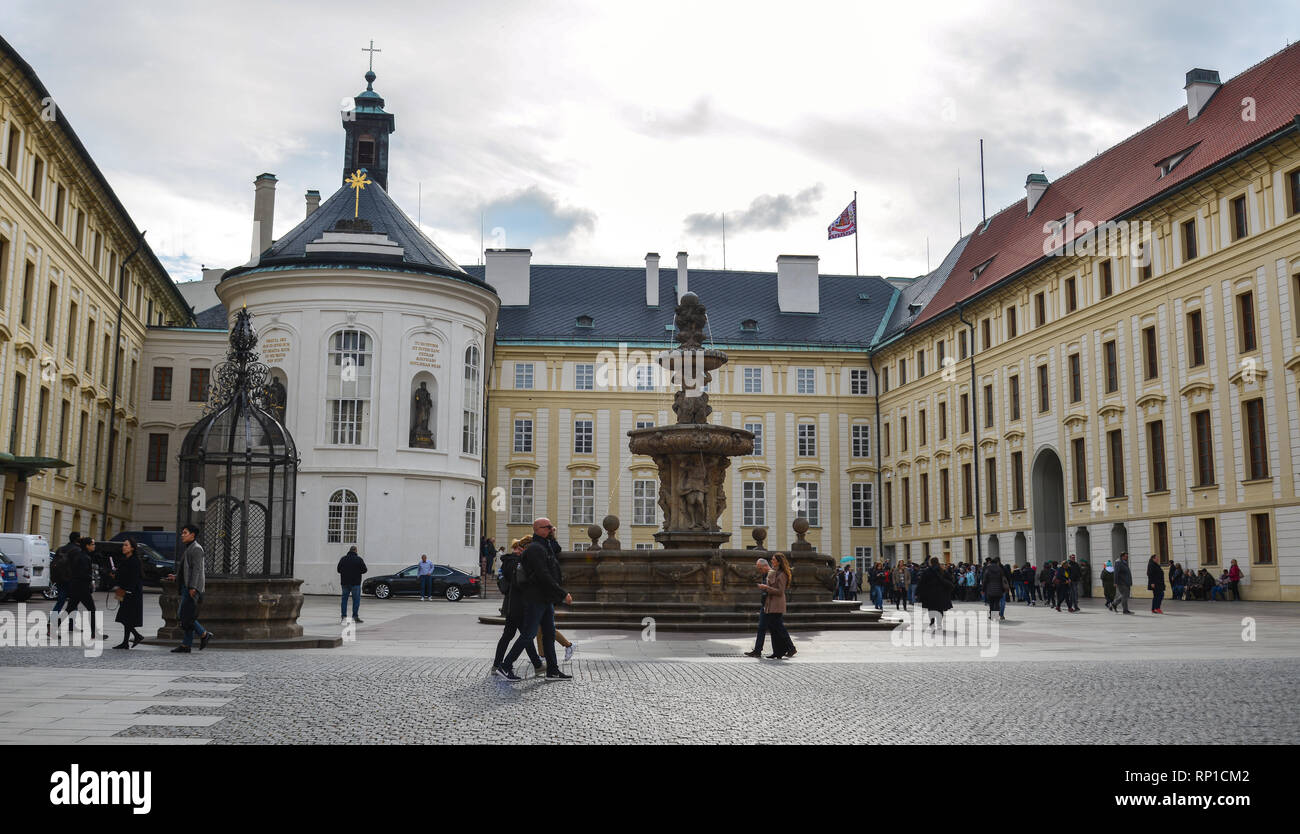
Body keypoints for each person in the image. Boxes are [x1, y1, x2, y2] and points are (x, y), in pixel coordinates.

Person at [500, 518, 573, 681]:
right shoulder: (535, 548)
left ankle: (552, 670)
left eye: (551, 527)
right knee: (529, 634)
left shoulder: (545, 545)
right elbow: (543, 575)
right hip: (535, 598)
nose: (551, 530)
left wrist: (555, 592)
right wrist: (562, 593)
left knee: (549, 633)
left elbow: (551, 565)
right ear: (538, 529)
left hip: (545, 598)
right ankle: (505, 666)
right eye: (548, 527)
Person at [493, 537, 544, 677]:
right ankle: (501, 665)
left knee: (520, 636)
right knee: (523, 637)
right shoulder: (513, 562)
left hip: (515, 605)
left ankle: (498, 665)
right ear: (520, 549)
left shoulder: (513, 561)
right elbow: (518, 582)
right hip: (516, 606)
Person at [170, 525, 212, 652]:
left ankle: (204, 634)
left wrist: (193, 587)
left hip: (191, 588)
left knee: (185, 616)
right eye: (182, 532)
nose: (182, 535)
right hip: (186, 587)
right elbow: (187, 569)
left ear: (192, 535)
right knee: (185, 616)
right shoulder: (190, 548)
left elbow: (197, 570)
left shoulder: (196, 549)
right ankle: (186, 645)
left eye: (185, 533)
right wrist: (176, 577)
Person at [61, 536, 98, 639]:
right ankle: (93, 634)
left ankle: (51, 626)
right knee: (92, 609)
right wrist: (91, 579)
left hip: (75, 587)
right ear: (87, 546)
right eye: (93, 544)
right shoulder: (85, 557)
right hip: (82, 588)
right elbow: (83, 574)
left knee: (69, 609)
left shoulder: (80, 555)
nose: (94, 546)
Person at [759, 552, 795, 659]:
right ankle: (778, 652)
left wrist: (766, 588)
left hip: (777, 604)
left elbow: (780, 591)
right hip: (771, 604)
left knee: (779, 628)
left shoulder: (782, 574)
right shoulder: (774, 572)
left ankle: (790, 648)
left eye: (773, 559)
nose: (771, 561)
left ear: (778, 562)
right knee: (774, 628)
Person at [111, 538, 145, 649]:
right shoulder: (124, 559)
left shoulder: (134, 560)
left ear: (132, 548)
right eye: (123, 545)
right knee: (123, 616)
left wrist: (129, 590)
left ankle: (135, 636)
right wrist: (114, 575)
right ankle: (128, 640)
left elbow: (135, 578)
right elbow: (122, 575)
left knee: (125, 616)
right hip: (122, 590)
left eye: (126, 545)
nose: (123, 547)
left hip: (130, 592)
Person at [48, 531, 81, 635]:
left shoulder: (61, 549)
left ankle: (51, 622)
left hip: (60, 579)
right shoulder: (77, 550)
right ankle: (71, 625)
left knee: (60, 602)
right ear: (77, 539)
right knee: (74, 602)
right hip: (71, 580)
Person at [917, 557, 954, 631]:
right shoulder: (942, 570)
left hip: (929, 594)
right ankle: (939, 624)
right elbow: (951, 579)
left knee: (931, 609)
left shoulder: (927, 571)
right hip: (941, 594)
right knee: (940, 609)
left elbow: (922, 583)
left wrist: (918, 592)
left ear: (931, 562)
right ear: (938, 562)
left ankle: (932, 622)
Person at [337, 545, 367, 623]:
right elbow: (364, 570)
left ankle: (344, 617)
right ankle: (355, 616)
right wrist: (357, 571)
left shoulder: (343, 559)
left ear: (349, 551)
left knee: (344, 600)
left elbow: (338, 570)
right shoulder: (359, 559)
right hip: (355, 583)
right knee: (356, 600)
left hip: (345, 583)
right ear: (356, 551)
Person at [981, 556, 1006, 620]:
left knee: (991, 603)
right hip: (999, 589)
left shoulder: (988, 569)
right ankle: (995, 616)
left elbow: (985, 580)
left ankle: (992, 616)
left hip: (990, 589)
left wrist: (983, 589)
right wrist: (1003, 589)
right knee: (997, 603)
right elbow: (1002, 579)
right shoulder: (1000, 569)